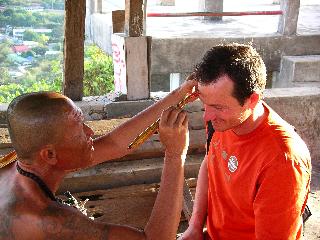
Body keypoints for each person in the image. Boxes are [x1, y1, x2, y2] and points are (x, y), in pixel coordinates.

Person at [0, 79, 197, 239]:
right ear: (50, 154)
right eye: (79, 129)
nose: (90, 132)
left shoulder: (21, 164)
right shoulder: (51, 221)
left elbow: (114, 144)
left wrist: (178, 95)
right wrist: (175, 154)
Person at [179, 43, 311, 240]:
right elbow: (211, 162)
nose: (207, 116)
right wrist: (195, 226)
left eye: (217, 107)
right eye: (204, 103)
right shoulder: (222, 119)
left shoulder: (282, 161)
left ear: (252, 99)